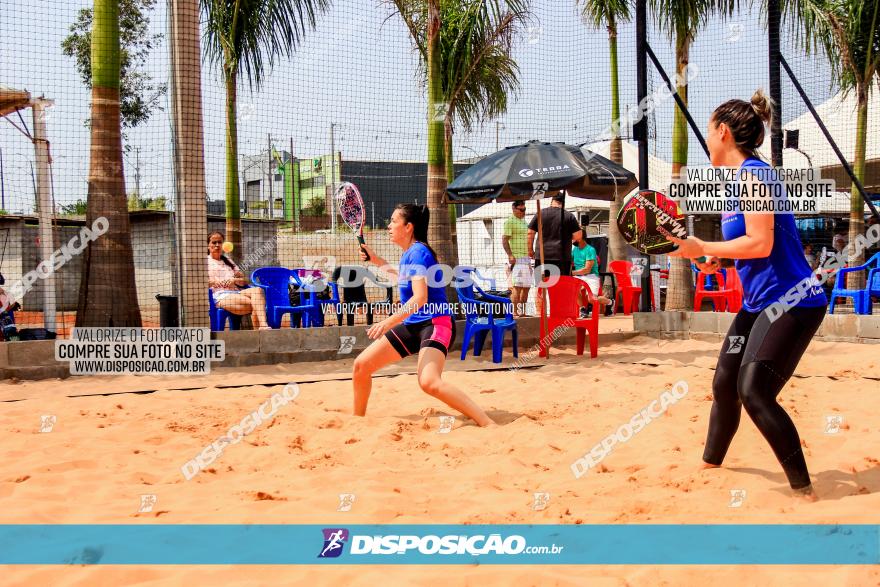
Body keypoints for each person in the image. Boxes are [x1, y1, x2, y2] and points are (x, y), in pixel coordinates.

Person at [669, 89, 827, 500]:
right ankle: (710, 465)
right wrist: (714, 260)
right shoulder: (739, 182)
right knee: (725, 383)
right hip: (759, 302)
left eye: (708, 131)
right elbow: (747, 250)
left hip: (793, 299)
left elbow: (760, 243)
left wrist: (703, 247)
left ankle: (804, 490)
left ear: (723, 132)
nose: (706, 141)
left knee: (754, 390)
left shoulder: (757, 175)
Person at [352, 204, 495, 427]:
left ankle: (487, 423)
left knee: (429, 382)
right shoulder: (411, 253)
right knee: (361, 366)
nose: (388, 226)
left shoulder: (418, 252)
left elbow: (420, 298)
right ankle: (357, 422)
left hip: (435, 323)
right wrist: (377, 260)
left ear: (408, 227)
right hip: (414, 324)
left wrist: (388, 322)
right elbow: (403, 279)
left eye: (393, 221)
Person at [527, 194, 582, 316]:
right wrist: (568, 237)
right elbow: (578, 236)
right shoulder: (569, 216)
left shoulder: (540, 213)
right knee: (560, 288)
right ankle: (558, 314)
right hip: (561, 258)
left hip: (542, 256)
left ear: (552, 201)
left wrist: (530, 250)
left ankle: (539, 315)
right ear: (563, 202)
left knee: (541, 287)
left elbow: (530, 233)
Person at [206, 231, 270, 329]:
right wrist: (216, 282)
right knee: (257, 303)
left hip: (236, 292)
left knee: (258, 290)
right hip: (219, 295)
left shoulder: (228, 261)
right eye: (214, 242)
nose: (217, 245)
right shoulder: (205, 262)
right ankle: (259, 331)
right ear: (208, 245)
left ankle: (263, 326)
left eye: (220, 242)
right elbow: (201, 283)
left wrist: (234, 280)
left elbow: (245, 280)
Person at [502, 200, 532, 316]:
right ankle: (514, 313)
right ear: (514, 209)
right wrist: (510, 255)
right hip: (517, 258)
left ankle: (523, 312)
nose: (524, 212)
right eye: (521, 209)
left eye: (525, 209)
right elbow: (504, 239)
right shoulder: (510, 221)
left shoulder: (524, 221)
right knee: (517, 287)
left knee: (527, 287)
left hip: (526, 258)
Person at [571, 233, 612, 318]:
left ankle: (610, 302)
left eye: (573, 237)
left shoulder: (590, 250)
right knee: (573, 289)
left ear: (580, 237)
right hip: (579, 276)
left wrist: (572, 273)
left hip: (591, 276)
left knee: (592, 299)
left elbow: (587, 269)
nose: (572, 239)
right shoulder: (574, 250)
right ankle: (583, 309)